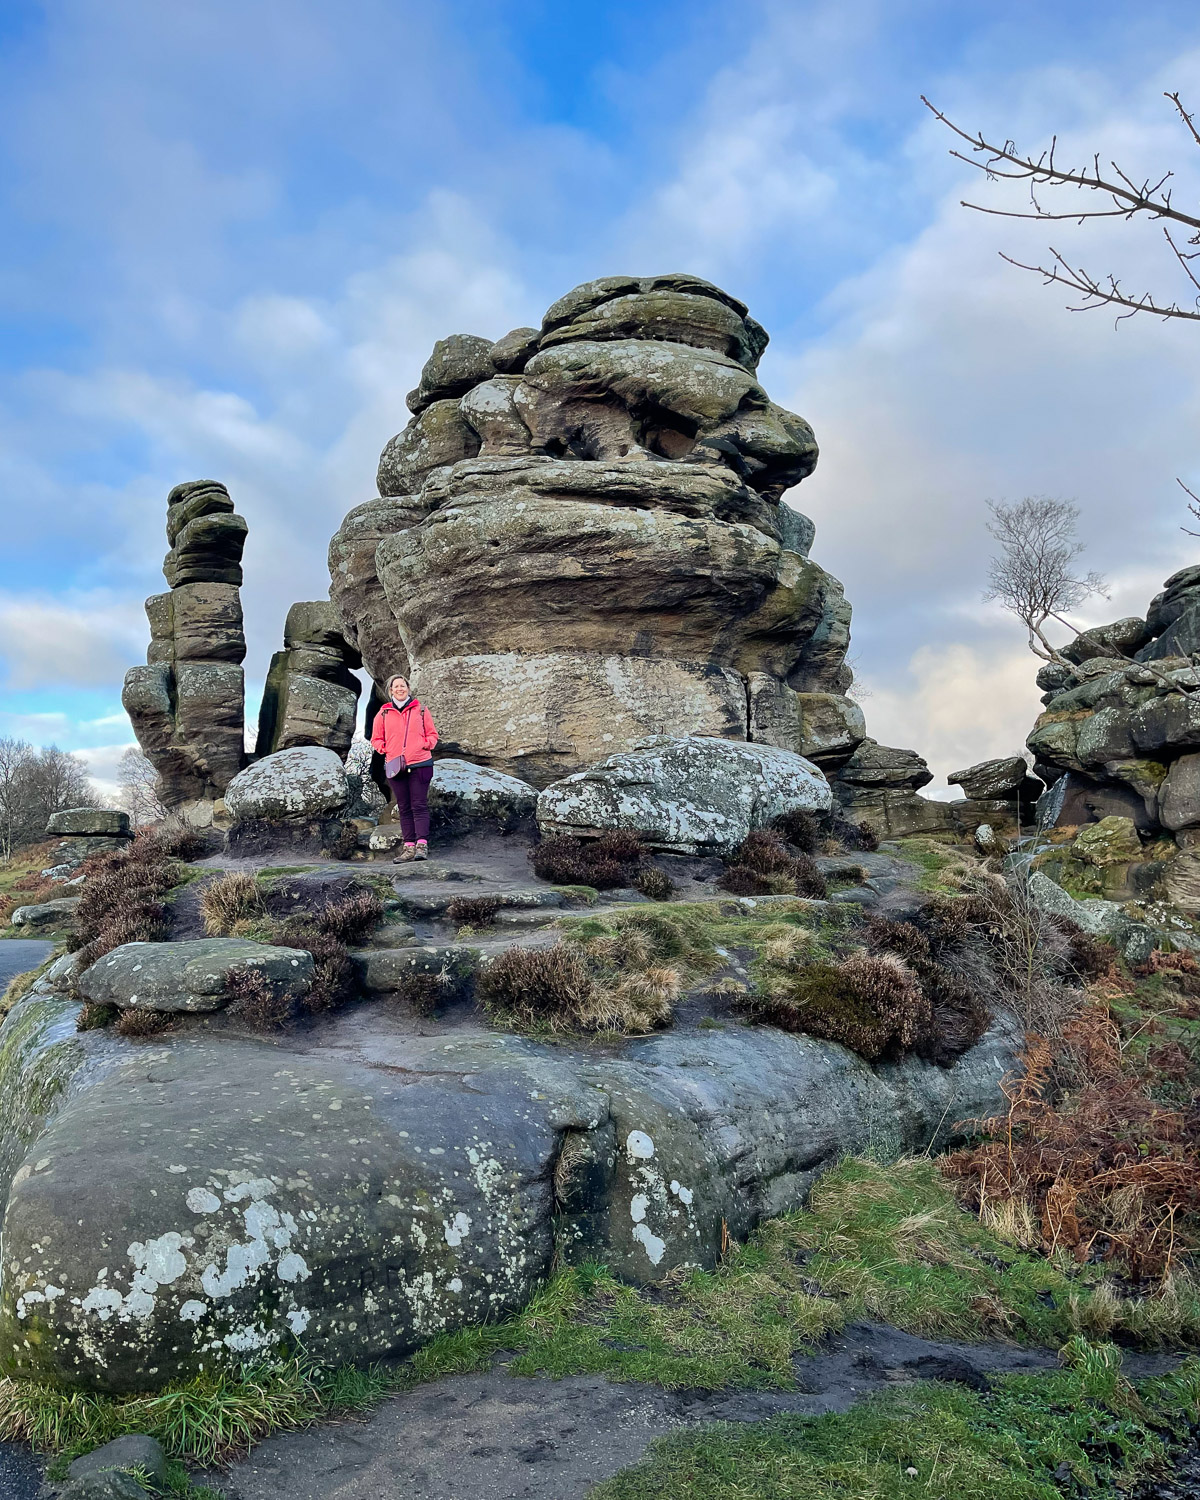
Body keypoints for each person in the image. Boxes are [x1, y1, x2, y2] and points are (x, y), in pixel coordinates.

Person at [370, 675, 438, 862]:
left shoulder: (421, 710)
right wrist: (385, 749)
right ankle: (409, 848)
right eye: (395, 686)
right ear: (390, 690)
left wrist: (425, 744)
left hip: (420, 763)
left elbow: (433, 734)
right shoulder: (383, 713)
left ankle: (422, 846)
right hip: (395, 766)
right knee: (404, 807)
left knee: (419, 805)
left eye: (403, 685)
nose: (399, 689)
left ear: (408, 688)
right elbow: (376, 738)